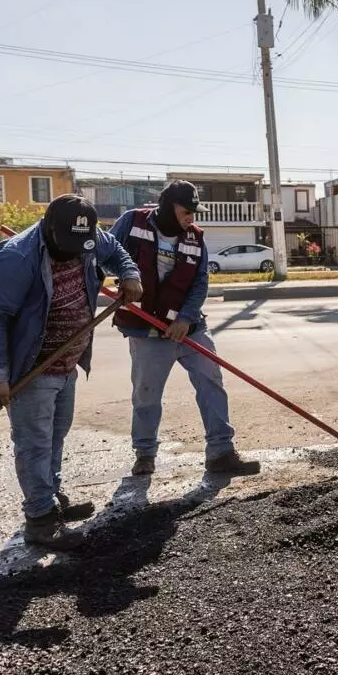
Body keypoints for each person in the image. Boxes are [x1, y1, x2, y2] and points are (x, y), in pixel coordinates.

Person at [0, 195, 143, 550]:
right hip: (31, 367)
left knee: (55, 435)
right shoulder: (15, 257)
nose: (74, 254)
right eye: (67, 247)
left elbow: (117, 252)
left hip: (68, 363)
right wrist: (0, 377)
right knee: (34, 442)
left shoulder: (89, 237)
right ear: (49, 229)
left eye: (81, 247)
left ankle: (50, 496)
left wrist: (129, 274)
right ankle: (39, 519)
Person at [109, 180, 261, 478]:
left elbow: (200, 281)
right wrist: (123, 278)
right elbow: (106, 255)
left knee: (211, 382)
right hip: (147, 328)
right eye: (186, 211)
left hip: (189, 328)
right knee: (146, 394)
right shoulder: (132, 221)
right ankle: (145, 455)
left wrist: (186, 319)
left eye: (194, 211)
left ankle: (221, 451)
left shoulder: (195, 237)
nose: (192, 217)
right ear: (167, 207)